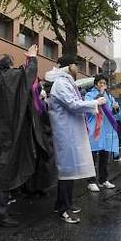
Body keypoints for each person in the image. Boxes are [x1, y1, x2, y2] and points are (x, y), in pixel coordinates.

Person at [46, 55, 106, 224]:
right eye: (75, 65)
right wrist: (94, 102)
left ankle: (62, 204)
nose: (77, 68)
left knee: (69, 170)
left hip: (71, 131)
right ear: (68, 67)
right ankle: (64, 209)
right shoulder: (61, 84)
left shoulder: (66, 82)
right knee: (67, 170)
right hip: (65, 133)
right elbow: (73, 104)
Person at [0, 45, 38, 227]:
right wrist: (32, 58)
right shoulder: (10, 77)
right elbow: (28, 76)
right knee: (4, 170)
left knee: (0, 169)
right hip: (9, 132)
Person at [84, 74, 119, 192]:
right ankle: (91, 181)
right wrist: (101, 95)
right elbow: (88, 108)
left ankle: (103, 180)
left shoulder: (109, 96)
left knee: (104, 155)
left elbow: (114, 112)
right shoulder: (90, 95)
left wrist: (116, 107)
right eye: (100, 83)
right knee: (92, 155)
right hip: (95, 128)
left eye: (104, 83)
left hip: (106, 128)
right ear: (95, 84)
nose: (103, 85)